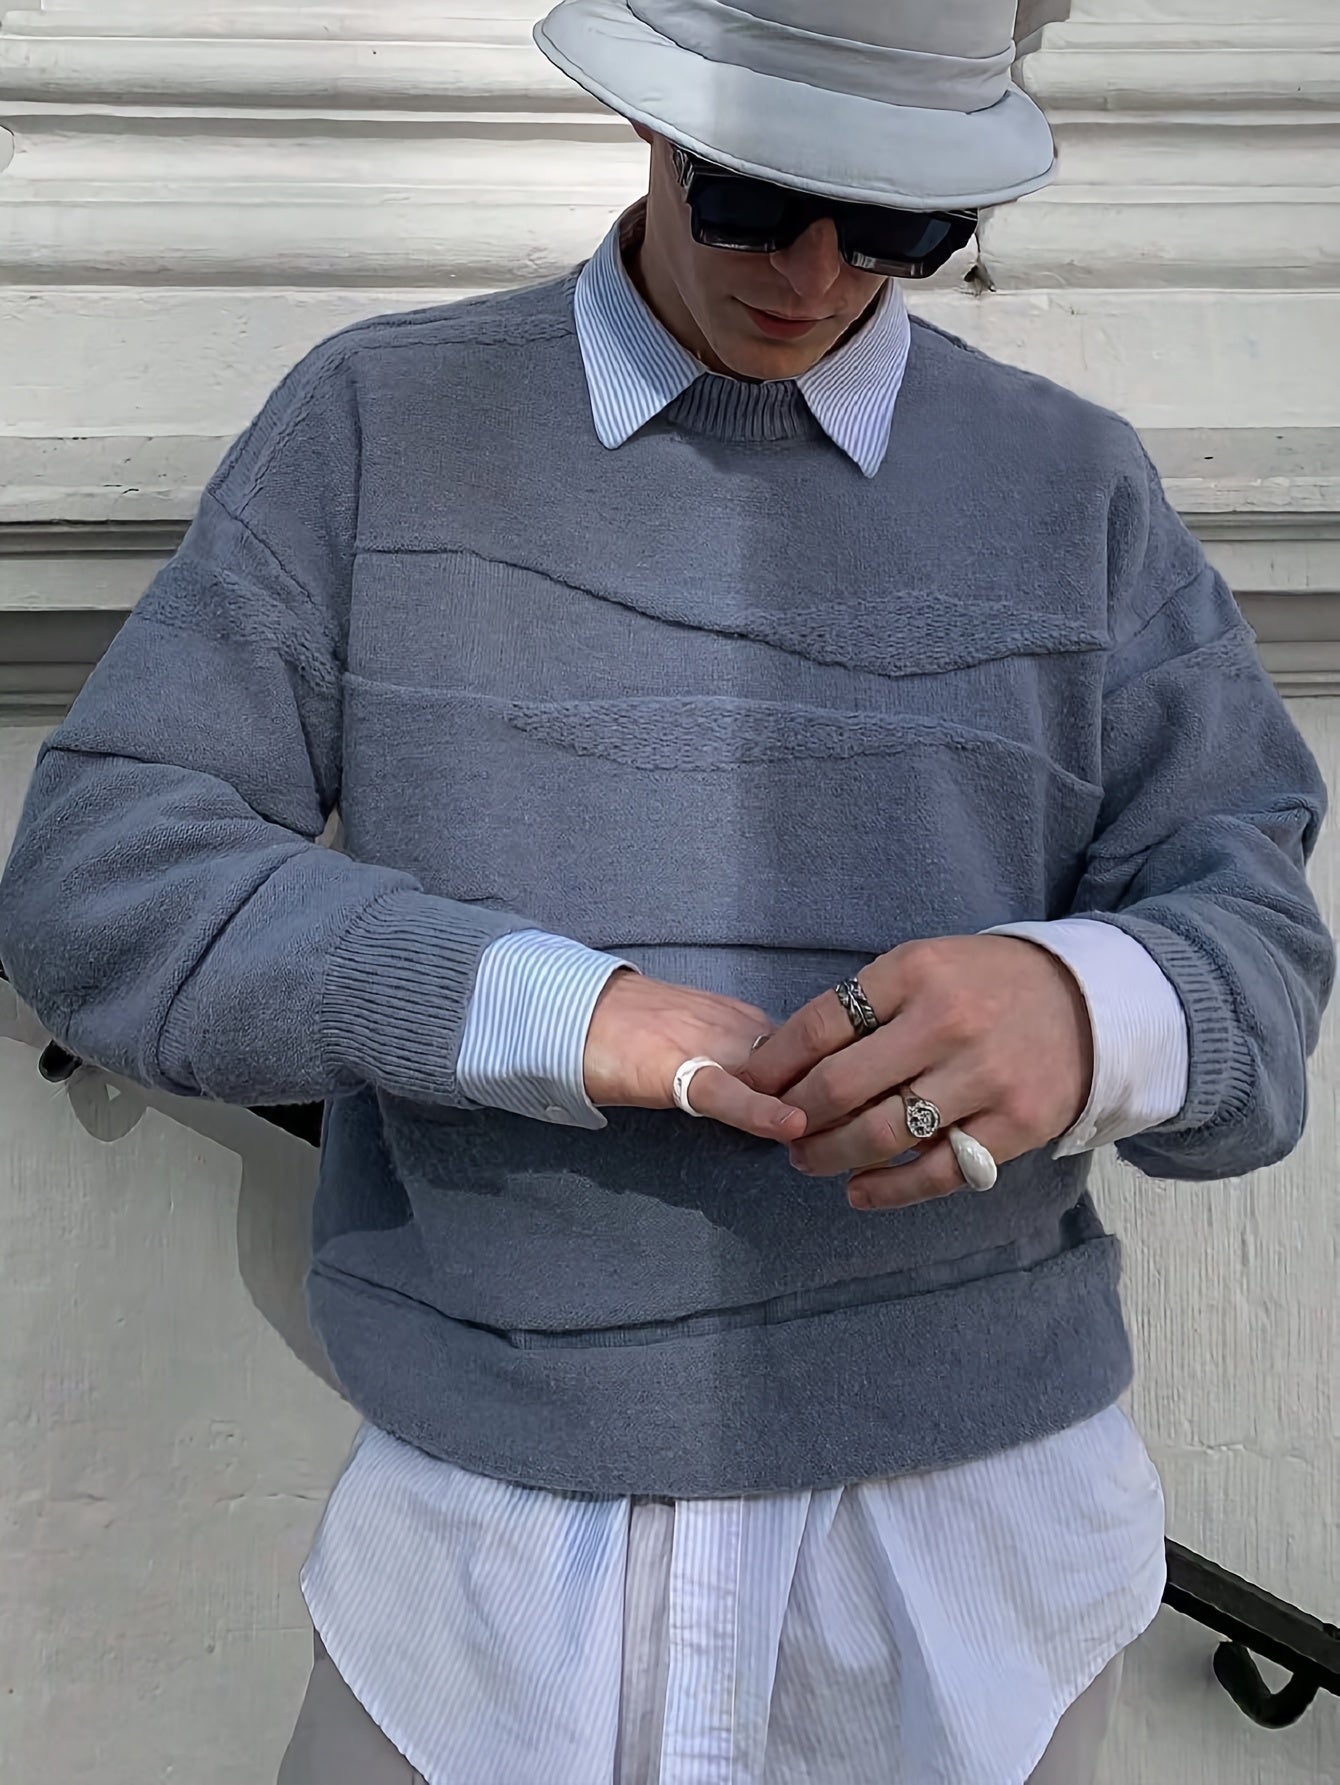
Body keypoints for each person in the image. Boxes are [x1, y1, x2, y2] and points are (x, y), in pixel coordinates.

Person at [0, 0, 1332, 1779]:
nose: (815, 275)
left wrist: (1090, 1008)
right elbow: (100, 878)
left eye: (901, 226)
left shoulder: (1072, 484)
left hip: (975, 1552)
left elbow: (1254, 933)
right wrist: (532, 1004)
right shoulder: (383, 424)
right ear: (652, 123)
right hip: (487, 1545)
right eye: (755, 196)